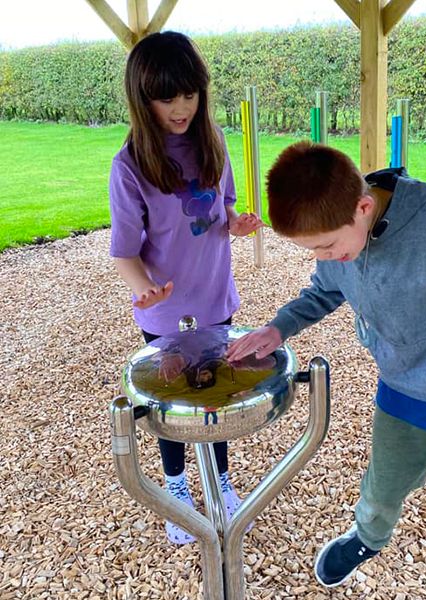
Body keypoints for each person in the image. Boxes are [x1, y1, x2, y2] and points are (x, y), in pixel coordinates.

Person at [226, 141, 426, 599]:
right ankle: (368, 539)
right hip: (399, 386)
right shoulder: (337, 229)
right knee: (380, 488)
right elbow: (324, 289)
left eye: (329, 246)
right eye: (313, 250)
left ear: (363, 206)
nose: (327, 256)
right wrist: (279, 329)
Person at [109, 31, 262, 545]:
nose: (182, 108)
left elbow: (224, 210)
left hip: (216, 300)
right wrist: (144, 288)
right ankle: (177, 487)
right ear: (142, 98)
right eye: (167, 97)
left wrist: (236, 224)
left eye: (190, 95)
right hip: (166, 315)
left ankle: (220, 479)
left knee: (215, 394)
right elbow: (124, 253)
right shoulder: (130, 166)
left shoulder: (212, 140)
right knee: (174, 404)